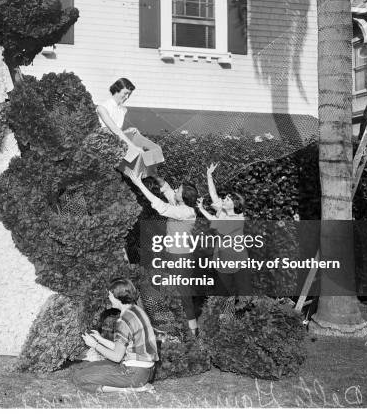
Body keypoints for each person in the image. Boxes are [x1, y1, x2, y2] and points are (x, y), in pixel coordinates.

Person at [127, 172, 200, 335]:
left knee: (184, 295)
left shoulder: (185, 212)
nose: (175, 189)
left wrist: (138, 183)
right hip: (173, 256)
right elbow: (166, 188)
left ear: (184, 197)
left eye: (178, 189)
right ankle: (171, 326)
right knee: (169, 289)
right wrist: (151, 172)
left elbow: (161, 206)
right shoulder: (180, 206)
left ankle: (193, 333)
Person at [73, 278, 158, 393]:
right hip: (146, 371)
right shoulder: (136, 310)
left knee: (79, 378)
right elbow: (121, 348)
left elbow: (116, 357)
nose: (108, 298)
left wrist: (95, 345)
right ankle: (137, 384)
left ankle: (134, 389)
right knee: (86, 368)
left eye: (110, 295)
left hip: (133, 373)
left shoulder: (123, 321)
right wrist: (100, 339)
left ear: (117, 297)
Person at [197, 162, 252, 295]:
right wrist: (209, 175)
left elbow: (218, 224)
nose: (223, 199)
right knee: (223, 291)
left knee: (242, 291)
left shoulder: (238, 218)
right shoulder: (223, 211)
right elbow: (213, 194)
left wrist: (202, 209)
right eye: (225, 198)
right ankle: (224, 312)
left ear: (235, 204)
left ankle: (243, 310)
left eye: (227, 199)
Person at [95, 78, 164, 179]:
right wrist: (133, 147)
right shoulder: (102, 108)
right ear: (116, 90)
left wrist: (128, 131)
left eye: (129, 94)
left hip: (116, 147)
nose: (127, 97)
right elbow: (114, 130)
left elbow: (117, 131)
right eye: (125, 93)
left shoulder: (122, 109)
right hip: (103, 151)